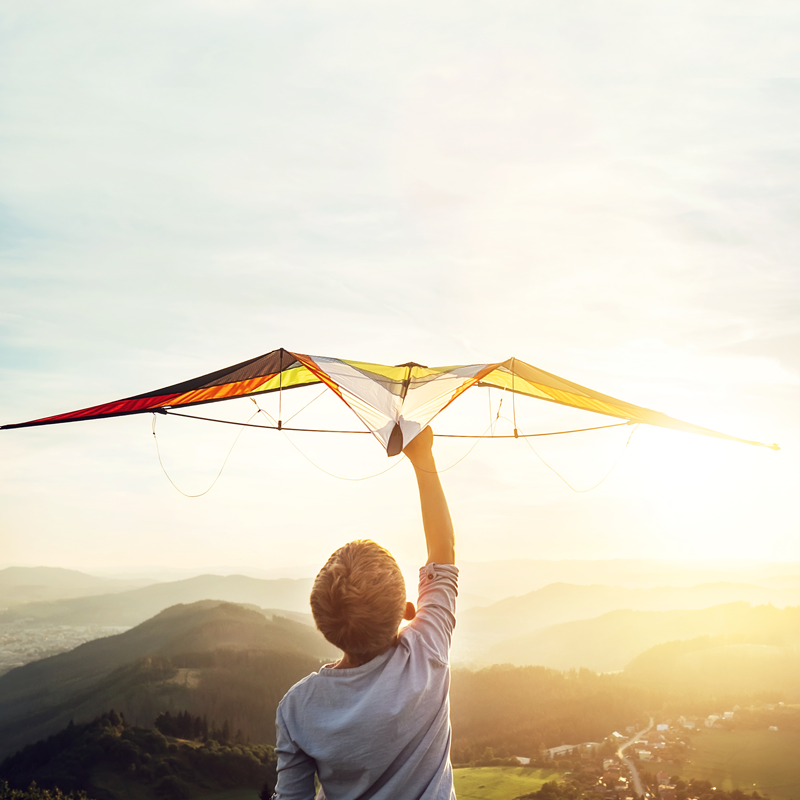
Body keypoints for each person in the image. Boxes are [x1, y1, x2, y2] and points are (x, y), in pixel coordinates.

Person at [272, 426, 458, 800]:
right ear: (408, 611)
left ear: (323, 624)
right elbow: (444, 551)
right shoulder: (428, 652)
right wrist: (422, 455)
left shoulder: (297, 708)